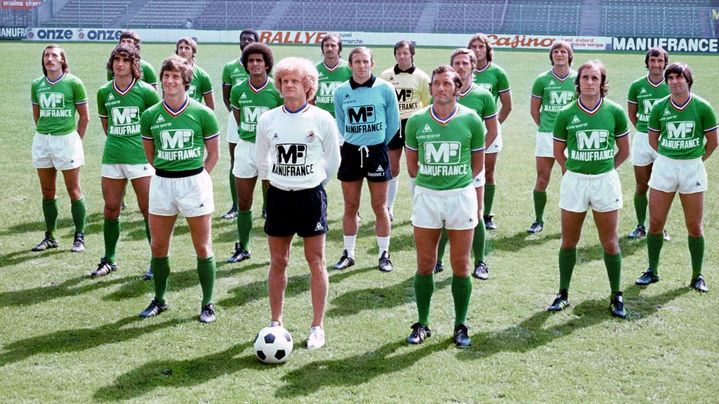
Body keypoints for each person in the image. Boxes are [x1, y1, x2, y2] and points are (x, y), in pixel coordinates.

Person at [256, 56, 341, 350]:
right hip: (279, 197)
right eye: (284, 81)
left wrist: (313, 183)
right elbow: (262, 159)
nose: (289, 85)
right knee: (278, 261)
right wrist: (280, 183)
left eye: (295, 81)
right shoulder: (268, 119)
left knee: (315, 261)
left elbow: (333, 160)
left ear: (308, 85)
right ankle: (276, 321)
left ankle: (317, 326)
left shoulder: (322, 119)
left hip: (310, 198)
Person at [404, 65, 485, 347]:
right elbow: (412, 167)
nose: (440, 88)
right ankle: (423, 323)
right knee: (425, 264)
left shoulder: (472, 120)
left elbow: (477, 165)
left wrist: (454, 180)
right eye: (436, 83)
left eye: (446, 84)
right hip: (426, 196)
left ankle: (460, 325)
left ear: (457, 88)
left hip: (460, 196)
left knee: (461, 265)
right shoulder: (415, 121)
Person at [138, 55, 220, 323]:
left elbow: (213, 155)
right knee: (159, 246)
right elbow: (150, 155)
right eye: (166, 76)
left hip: (194, 183)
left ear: (186, 82)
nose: (169, 81)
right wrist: (169, 170)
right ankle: (159, 299)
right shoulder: (150, 115)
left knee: (202, 246)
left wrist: (195, 177)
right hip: (162, 183)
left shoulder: (203, 114)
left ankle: (207, 303)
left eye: (175, 77)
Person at [547, 60, 630, 319]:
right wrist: (573, 171)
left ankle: (616, 294)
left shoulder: (615, 111)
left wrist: (606, 169)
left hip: (605, 181)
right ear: (578, 81)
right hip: (575, 182)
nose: (590, 82)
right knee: (569, 241)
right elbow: (558, 151)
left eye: (595, 78)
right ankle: (563, 293)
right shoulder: (566, 114)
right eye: (585, 78)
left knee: (610, 242)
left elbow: (624, 151)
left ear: (602, 83)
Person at [635, 63, 718, 292]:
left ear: (688, 80)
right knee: (656, 223)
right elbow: (653, 139)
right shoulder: (660, 107)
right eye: (670, 78)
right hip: (665, 167)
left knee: (694, 226)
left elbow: (713, 141)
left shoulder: (702, 107)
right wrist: (668, 156)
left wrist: (696, 159)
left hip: (692, 168)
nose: (674, 81)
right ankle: (652, 270)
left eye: (679, 77)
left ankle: (697, 275)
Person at [91, 44, 160, 278]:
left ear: (134, 64)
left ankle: (156, 260)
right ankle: (109, 259)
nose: (119, 64)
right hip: (112, 157)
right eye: (116, 60)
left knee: (148, 210)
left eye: (125, 60)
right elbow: (107, 127)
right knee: (111, 209)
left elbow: (155, 128)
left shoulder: (147, 92)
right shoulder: (103, 92)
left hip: (140, 159)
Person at [333, 47, 400, 272]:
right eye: (357, 62)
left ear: (372, 64)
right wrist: (356, 139)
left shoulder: (385, 88)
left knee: (379, 206)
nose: (361, 66)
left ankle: (384, 254)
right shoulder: (341, 91)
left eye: (365, 62)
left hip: (377, 152)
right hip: (352, 152)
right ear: (349, 65)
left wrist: (376, 143)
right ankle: (348, 253)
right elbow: (341, 123)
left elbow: (393, 124)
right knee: (351, 206)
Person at [435, 48, 497, 280]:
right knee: (442, 213)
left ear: (473, 66)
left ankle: (480, 262)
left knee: (476, 213)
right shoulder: (442, 92)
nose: (461, 67)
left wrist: (476, 156)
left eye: (465, 63)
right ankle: (437, 261)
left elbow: (491, 130)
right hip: (446, 164)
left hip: (472, 164)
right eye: (457, 63)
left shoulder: (483, 96)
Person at [30, 44, 89, 253]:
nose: (50, 58)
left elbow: (84, 117)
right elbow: (37, 115)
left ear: (62, 60)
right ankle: (51, 236)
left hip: (67, 141)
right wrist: (46, 133)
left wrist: (75, 140)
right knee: (47, 191)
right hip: (43, 140)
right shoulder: (37, 84)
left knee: (73, 190)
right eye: (47, 55)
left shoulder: (74, 83)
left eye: (55, 55)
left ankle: (79, 236)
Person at [227, 42, 282, 264]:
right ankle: (244, 247)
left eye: (259, 60)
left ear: (267, 64)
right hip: (246, 147)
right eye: (251, 61)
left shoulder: (276, 90)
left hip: (270, 149)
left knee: (273, 203)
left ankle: (275, 250)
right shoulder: (238, 89)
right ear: (246, 65)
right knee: (244, 201)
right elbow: (239, 118)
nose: (255, 64)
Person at [528, 40, 577, 234]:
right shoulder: (542, 80)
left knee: (570, 179)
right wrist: (547, 127)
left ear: (569, 56)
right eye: (556, 51)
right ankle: (538, 220)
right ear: (551, 56)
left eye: (563, 51)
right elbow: (534, 110)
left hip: (571, 136)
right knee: (542, 179)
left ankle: (569, 222)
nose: (559, 54)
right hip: (547, 135)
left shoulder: (577, 79)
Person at [380, 40, 430, 221]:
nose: (402, 56)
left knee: (413, 168)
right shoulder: (385, 76)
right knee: (392, 167)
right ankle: (388, 208)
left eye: (405, 53)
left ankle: (418, 209)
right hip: (392, 124)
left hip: (412, 125)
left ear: (412, 55)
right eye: (399, 53)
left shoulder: (422, 77)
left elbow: (427, 104)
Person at [626, 48, 671, 240]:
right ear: (647, 62)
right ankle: (640, 225)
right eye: (652, 60)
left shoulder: (671, 85)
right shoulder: (637, 85)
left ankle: (660, 227)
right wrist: (645, 130)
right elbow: (632, 113)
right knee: (641, 185)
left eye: (660, 61)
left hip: (665, 140)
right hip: (643, 139)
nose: (656, 64)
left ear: (665, 63)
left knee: (662, 187)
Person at [468, 33, 512, 230]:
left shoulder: (498, 73)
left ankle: (486, 215)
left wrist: (494, 125)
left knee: (488, 173)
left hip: (489, 130)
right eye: (474, 47)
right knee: (465, 171)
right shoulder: (460, 71)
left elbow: (507, 105)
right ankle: (466, 211)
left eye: (481, 47)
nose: (477, 50)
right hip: (464, 129)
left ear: (487, 50)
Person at [220, 29, 258, 220]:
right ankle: (235, 206)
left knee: (267, 164)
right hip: (237, 119)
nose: (246, 41)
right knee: (236, 163)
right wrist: (237, 116)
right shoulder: (230, 67)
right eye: (243, 39)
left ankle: (267, 209)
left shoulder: (263, 65)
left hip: (260, 120)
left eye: (250, 39)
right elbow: (226, 96)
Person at [314, 33, 352, 118]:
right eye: (326, 45)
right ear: (322, 48)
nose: (329, 48)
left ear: (339, 48)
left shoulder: (349, 68)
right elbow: (310, 98)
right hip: (321, 118)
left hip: (344, 118)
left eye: (333, 45)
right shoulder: (314, 70)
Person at [175, 37, 214, 109]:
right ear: (177, 51)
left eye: (187, 48)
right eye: (180, 48)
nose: (183, 51)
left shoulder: (202, 76)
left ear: (193, 51)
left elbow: (210, 107)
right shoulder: (169, 74)